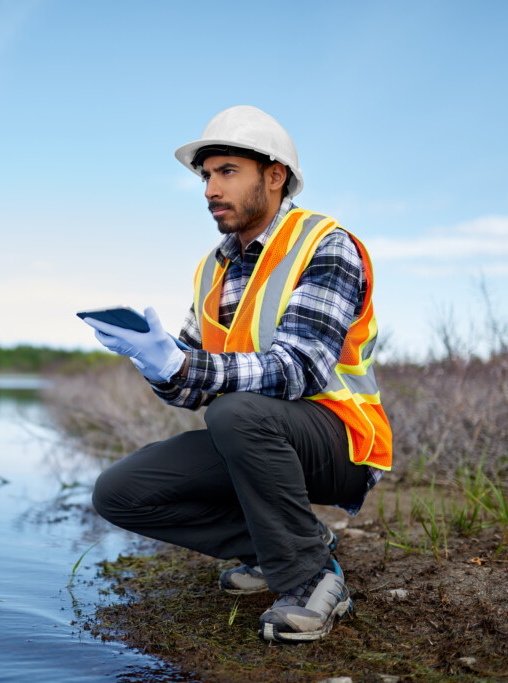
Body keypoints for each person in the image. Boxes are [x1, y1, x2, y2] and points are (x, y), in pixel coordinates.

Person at [81, 105, 392, 643]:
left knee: (234, 411)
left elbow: (300, 369)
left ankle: (313, 581)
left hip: (340, 441)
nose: (209, 189)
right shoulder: (212, 269)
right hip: (253, 434)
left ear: (274, 176)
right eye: (206, 175)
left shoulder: (326, 245)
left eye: (227, 171)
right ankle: (281, 545)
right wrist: (155, 362)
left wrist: (186, 364)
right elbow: (190, 386)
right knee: (119, 492)